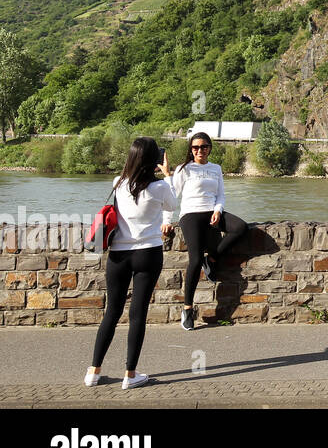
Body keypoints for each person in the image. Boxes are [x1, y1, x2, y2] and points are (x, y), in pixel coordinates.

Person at [86, 137, 177, 390]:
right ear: (152, 160)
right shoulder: (159, 187)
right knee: (138, 315)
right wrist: (167, 174)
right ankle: (130, 375)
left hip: (118, 255)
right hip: (148, 253)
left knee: (111, 312)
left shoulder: (118, 183)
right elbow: (173, 205)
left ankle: (93, 372)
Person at [162, 131, 247, 331]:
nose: (200, 150)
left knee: (240, 228)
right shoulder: (184, 168)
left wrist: (218, 211)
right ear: (191, 150)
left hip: (212, 213)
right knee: (194, 260)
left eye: (204, 146)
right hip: (191, 215)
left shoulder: (216, 168)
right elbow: (171, 196)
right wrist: (166, 221)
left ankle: (212, 259)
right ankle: (188, 308)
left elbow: (221, 195)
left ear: (210, 148)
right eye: (195, 147)